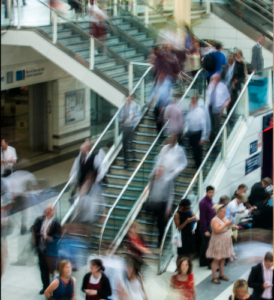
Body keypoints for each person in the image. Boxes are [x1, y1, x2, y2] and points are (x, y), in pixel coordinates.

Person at [32, 204, 62, 294]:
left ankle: (52, 287)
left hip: (50, 252)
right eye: (46, 210)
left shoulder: (56, 224)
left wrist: (50, 238)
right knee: (42, 269)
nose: (47, 212)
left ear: (53, 212)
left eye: (49, 210)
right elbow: (34, 230)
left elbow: (58, 237)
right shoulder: (40, 220)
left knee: (51, 270)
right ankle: (45, 286)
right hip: (41, 249)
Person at [206, 204, 237, 284]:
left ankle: (221, 274)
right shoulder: (215, 220)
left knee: (223, 258)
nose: (224, 214)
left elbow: (228, 226)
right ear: (218, 212)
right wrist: (226, 224)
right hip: (218, 241)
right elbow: (216, 230)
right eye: (223, 212)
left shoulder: (225, 218)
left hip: (225, 240)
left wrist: (233, 226)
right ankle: (214, 277)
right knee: (216, 259)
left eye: (225, 212)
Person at [145, 166, 174, 247]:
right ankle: (149, 240)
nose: (158, 173)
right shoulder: (153, 179)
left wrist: (169, 207)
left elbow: (171, 194)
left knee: (161, 224)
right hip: (153, 203)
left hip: (162, 204)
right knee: (150, 222)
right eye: (158, 171)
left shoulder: (168, 180)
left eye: (160, 171)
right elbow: (150, 190)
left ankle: (160, 241)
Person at [206, 73, 231, 143]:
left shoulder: (223, 87)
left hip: (218, 108)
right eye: (213, 79)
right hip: (210, 107)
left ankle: (215, 141)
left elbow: (228, 98)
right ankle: (212, 140)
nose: (213, 80)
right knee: (210, 125)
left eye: (215, 79)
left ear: (218, 79)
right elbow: (207, 97)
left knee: (216, 126)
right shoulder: (210, 86)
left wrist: (223, 107)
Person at [185, 95, 208, 170]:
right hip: (191, 133)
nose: (192, 103)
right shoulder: (190, 110)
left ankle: (199, 165)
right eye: (192, 101)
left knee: (198, 150)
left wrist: (203, 137)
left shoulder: (200, 111)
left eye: (194, 101)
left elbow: (204, 125)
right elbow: (187, 121)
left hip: (198, 133)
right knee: (192, 149)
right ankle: (196, 163)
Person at [174, 199, 198, 266]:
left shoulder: (189, 211)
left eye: (188, 208)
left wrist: (194, 218)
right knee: (180, 254)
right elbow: (178, 228)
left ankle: (188, 268)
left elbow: (196, 218)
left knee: (189, 253)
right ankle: (178, 269)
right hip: (181, 236)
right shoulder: (177, 214)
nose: (187, 209)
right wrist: (186, 222)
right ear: (181, 207)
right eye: (186, 208)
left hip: (189, 234)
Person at [119, 94, 140, 169]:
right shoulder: (122, 108)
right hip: (125, 128)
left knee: (131, 142)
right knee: (124, 144)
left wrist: (131, 120)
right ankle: (126, 162)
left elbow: (138, 115)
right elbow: (119, 118)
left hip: (131, 127)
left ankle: (133, 155)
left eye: (129, 99)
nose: (127, 101)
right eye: (126, 100)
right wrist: (123, 120)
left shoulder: (133, 106)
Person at [199, 186, 216, 267]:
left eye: (212, 192)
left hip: (210, 224)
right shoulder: (203, 203)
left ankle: (203, 261)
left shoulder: (210, 201)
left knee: (205, 244)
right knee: (207, 244)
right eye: (210, 192)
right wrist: (205, 230)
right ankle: (207, 262)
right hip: (205, 225)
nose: (211, 194)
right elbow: (202, 217)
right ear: (206, 192)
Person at [219, 195, 238, 263]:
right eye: (227, 201)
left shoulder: (227, 207)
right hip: (226, 226)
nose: (228, 202)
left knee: (231, 241)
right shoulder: (220, 208)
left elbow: (230, 214)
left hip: (230, 224)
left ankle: (231, 254)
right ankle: (229, 256)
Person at [228, 49, 247, 115]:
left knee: (236, 90)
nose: (238, 55)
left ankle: (232, 110)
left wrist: (245, 77)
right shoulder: (234, 61)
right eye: (237, 53)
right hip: (235, 77)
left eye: (239, 53)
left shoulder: (243, 61)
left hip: (240, 77)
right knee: (234, 92)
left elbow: (244, 70)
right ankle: (230, 111)